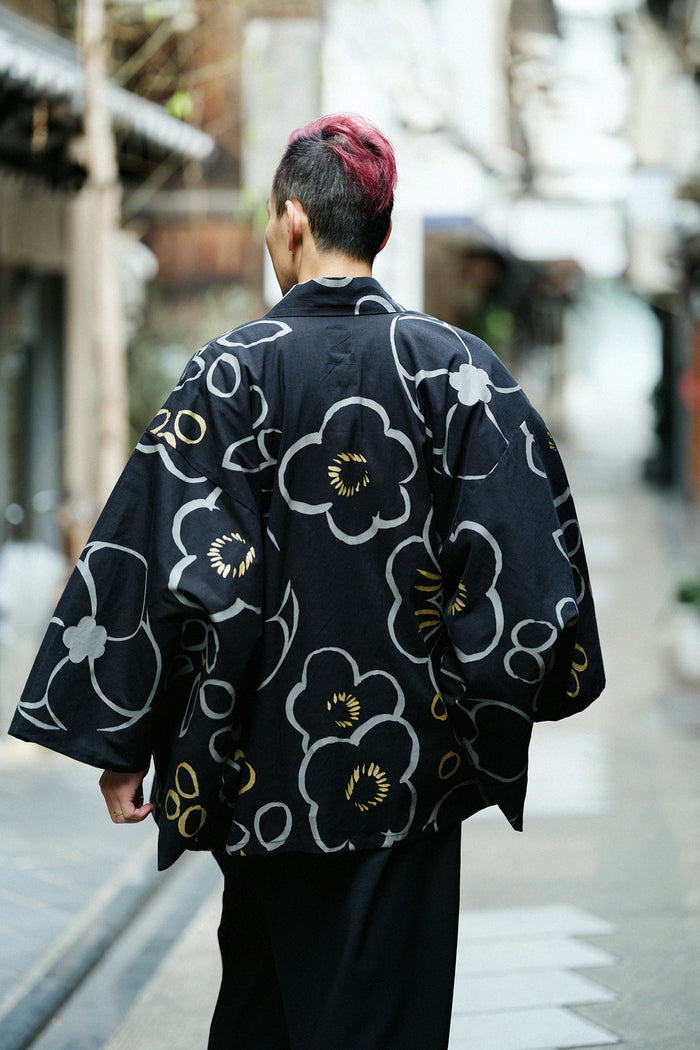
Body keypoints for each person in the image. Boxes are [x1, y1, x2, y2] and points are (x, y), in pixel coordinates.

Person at [9, 113, 605, 1050]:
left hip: (263, 772)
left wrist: (125, 739)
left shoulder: (229, 374)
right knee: (389, 1021)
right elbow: (527, 581)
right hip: (409, 772)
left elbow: (158, 559)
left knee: (267, 1014)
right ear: (382, 230)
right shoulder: (460, 373)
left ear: (290, 220)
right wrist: (468, 725)